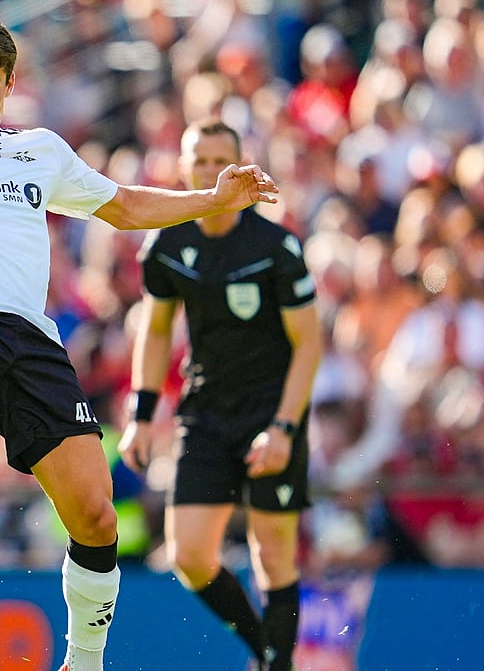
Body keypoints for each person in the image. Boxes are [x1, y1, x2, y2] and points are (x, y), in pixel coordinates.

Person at [0, 13, 280, 671]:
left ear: (9, 85)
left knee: (96, 517)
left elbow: (122, 206)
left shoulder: (40, 149)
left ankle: (83, 663)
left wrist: (209, 199)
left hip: (30, 339)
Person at [117, 119, 322, 671]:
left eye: (220, 160)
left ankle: (277, 665)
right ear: (184, 169)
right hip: (206, 412)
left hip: (271, 412)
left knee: (273, 553)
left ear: (241, 166)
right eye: (199, 160)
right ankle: (268, 655)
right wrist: (141, 415)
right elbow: (156, 330)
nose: (210, 170)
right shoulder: (167, 242)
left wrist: (284, 428)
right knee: (188, 556)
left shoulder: (275, 245)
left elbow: (309, 344)